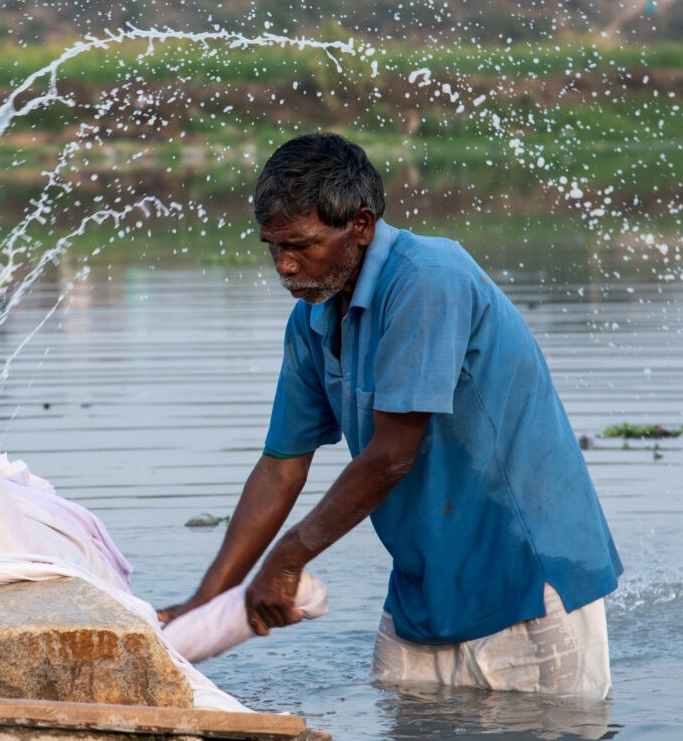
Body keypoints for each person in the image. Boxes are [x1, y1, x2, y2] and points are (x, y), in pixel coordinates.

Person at [158, 132, 622, 697]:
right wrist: (207, 602)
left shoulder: (428, 279)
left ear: (360, 225)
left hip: (526, 578)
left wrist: (288, 556)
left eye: (301, 245)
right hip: (424, 588)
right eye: (272, 246)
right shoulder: (313, 317)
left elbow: (392, 456)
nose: (283, 265)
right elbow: (281, 466)